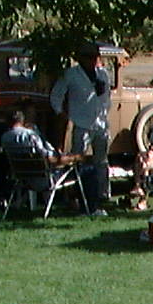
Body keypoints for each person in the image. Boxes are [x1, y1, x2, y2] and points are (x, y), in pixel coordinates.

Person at [50, 42, 114, 217]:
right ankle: (78, 195)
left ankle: (102, 194)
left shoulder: (102, 74)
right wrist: (61, 113)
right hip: (81, 122)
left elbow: (107, 96)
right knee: (79, 161)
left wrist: (105, 111)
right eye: (88, 56)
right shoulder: (71, 74)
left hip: (100, 123)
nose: (93, 60)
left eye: (95, 56)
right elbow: (56, 95)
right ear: (81, 58)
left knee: (101, 161)